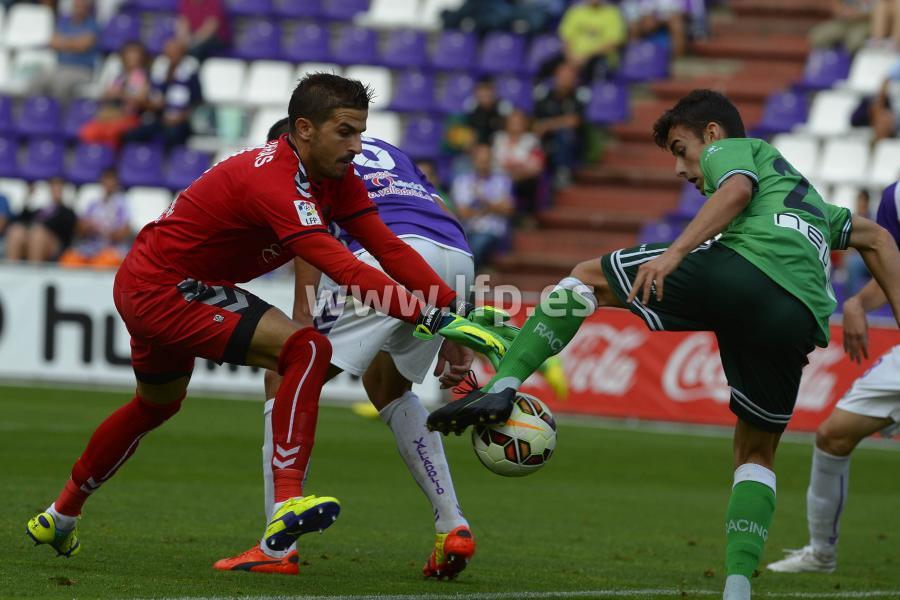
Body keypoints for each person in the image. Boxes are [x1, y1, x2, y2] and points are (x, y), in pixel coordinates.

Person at [426, 90, 900, 600]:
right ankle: (738, 588)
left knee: (586, 279)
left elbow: (737, 188)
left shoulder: (735, 148)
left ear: (712, 135)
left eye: (681, 149)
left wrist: (676, 252)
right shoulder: (813, 204)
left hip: (747, 270)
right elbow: (877, 239)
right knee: (756, 451)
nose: (680, 168)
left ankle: (504, 382)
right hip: (801, 316)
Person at [25, 74, 505, 564]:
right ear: (303, 130)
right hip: (161, 287)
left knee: (155, 406)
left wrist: (450, 309)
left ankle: (60, 516)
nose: (358, 146)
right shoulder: (274, 179)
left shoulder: (336, 179)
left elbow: (387, 247)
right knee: (306, 348)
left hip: (176, 285)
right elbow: (344, 267)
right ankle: (286, 506)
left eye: (361, 132)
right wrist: (432, 316)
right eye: (346, 132)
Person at [214, 118, 479, 578]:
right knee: (387, 385)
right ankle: (452, 524)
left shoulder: (307, 160)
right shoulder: (387, 151)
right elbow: (439, 205)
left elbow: (307, 242)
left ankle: (275, 547)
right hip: (455, 254)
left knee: (283, 370)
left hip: (390, 253)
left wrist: (302, 319)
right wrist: (458, 317)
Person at [766, 180, 900, 574]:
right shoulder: (893, 196)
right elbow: (892, 267)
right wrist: (858, 302)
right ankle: (821, 553)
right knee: (833, 436)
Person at [123, 39, 201, 148]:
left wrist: (181, 117)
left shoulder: (190, 74)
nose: (171, 55)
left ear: (182, 53)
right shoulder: (159, 71)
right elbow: (153, 97)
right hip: (160, 118)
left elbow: (196, 102)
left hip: (181, 121)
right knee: (132, 135)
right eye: (168, 52)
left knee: (173, 134)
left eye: (175, 52)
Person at [451, 144, 514, 268]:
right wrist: (492, 207)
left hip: (491, 230)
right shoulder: (462, 182)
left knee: (476, 246)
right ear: (473, 161)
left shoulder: (502, 181)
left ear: (492, 161)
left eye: (486, 161)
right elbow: (462, 213)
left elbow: (508, 209)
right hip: (466, 229)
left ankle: (469, 280)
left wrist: (483, 201)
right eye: (480, 161)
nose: (483, 164)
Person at [79, 42, 151, 149]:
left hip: (129, 117)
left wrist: (121, 94)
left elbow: (139, 99)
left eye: (135, 56)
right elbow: (108, 96)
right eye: (128, 56)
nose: (131, 59)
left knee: (111, 134)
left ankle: (111, 162)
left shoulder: (142, 77)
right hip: (112, 115)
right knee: (87, 132)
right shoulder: (120, 77)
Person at [58, 169, 132, 269]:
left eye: (111, 180)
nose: (108, 183)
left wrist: (107, 230)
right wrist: (88, 227)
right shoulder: (93, 204)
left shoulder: (123, 204)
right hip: (90, 247)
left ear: (116, 183)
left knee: (102, 263)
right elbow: (80, 230)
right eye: (106, 180)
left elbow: (125, 232)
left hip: (111, 249)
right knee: (69, 259)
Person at [29, 0, 99, 100]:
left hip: (82, 69)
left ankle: (60, 113)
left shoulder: (93, 25)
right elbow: (52, 41)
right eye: (77, 5)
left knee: (60, 84)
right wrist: (73, 43)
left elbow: (83, 45)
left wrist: (63, 42)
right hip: (60, 67)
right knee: (37, 79)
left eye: (82, 5)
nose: (79, 8)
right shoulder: (64, 22)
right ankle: (37, 111)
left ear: (87, 7)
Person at [533, 62, 586, 188]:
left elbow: (574, 121)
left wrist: (549, 125)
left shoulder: (578, 97)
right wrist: (545, 126)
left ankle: (562, 172)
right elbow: (536, 123)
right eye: (562, 75)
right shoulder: (545, 97)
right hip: (545, 139)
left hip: (571, 144)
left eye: (569, 76)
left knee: (564, 134)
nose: (565, 79)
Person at [4, 177, 77, 263]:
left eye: (59, 188)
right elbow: (21, 219)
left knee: (38, 234)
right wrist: (28, 197)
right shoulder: (41, 210)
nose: (56, 190)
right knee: (16, 231)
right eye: (53, 187)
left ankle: (34, 272)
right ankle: (11, 270)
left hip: (55, 245)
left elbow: (66, 231)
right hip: (31, 238)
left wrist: (59, 204)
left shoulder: (67, 212)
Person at [493, 108, 545, 219]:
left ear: (525, 124)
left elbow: (536, 167)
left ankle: (526, 217)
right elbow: (493, 162)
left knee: (528, 184)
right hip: (499, 178)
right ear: (506, 124)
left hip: (523, 179)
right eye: (512, 122)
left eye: (519, 122)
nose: (515, 125)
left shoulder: (532, 140)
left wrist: (515, 175)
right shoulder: (498, 138)